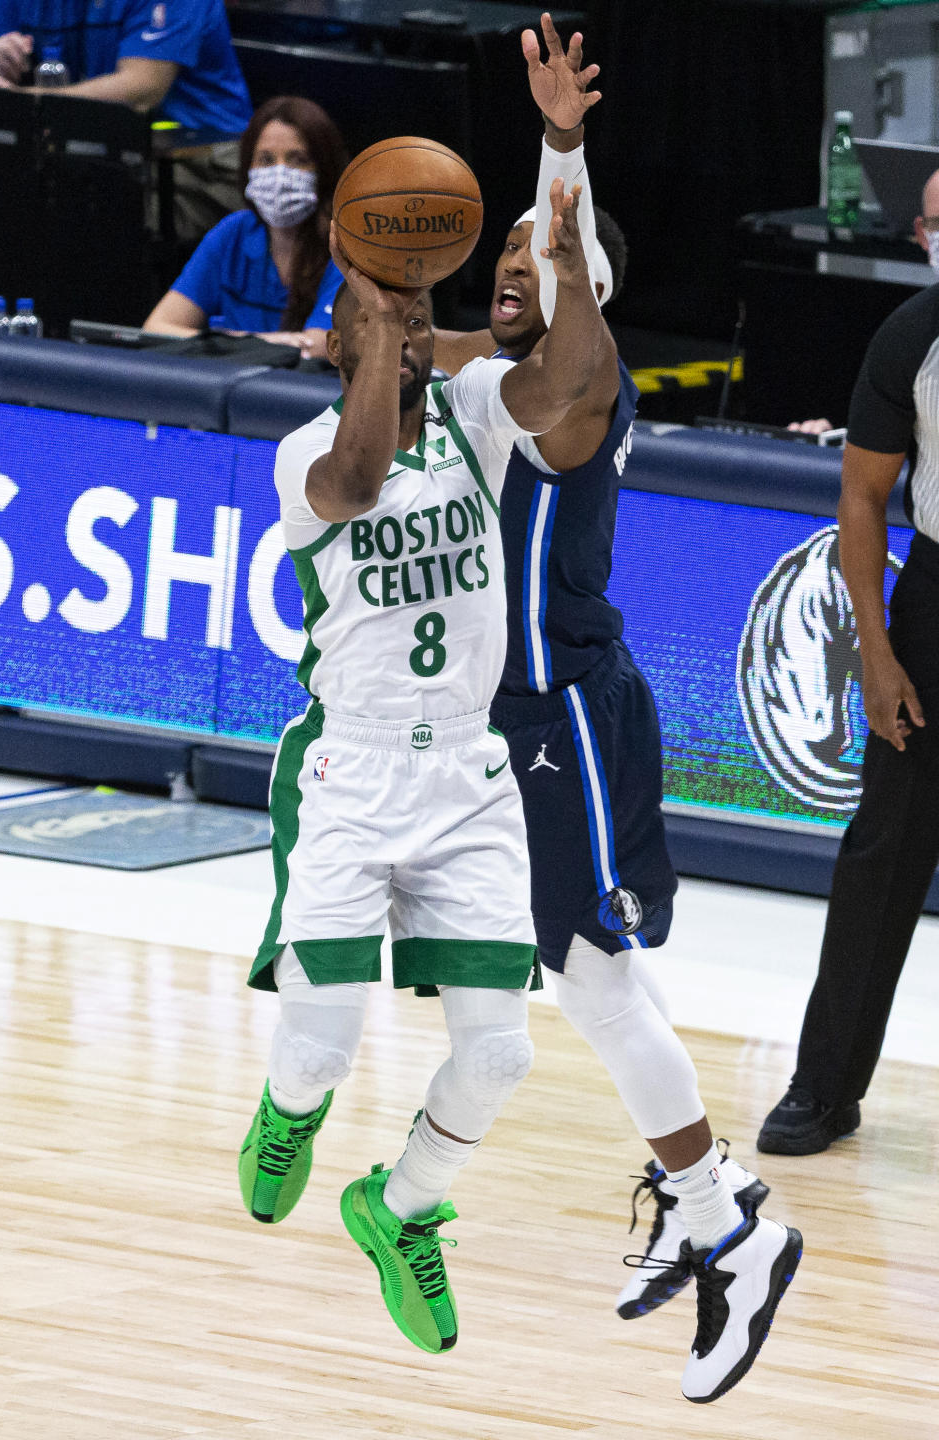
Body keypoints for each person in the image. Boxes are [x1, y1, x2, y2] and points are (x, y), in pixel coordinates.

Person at [434, 13, 802, 1404]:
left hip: (569, 715)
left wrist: (561, 148)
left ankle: (728, 1223)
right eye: (512, 258)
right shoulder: (488, 373)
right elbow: (441, 345)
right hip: (501, 725)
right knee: (574, 984)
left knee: (592, 977)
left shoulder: (580, 391)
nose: (523, 269)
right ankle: (710, 1203)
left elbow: (551, 280)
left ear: (584, 287)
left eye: (548, 259)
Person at [237, 109, 605, 1355]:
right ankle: (289, 1113)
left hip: (469, 770)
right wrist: (388, 339)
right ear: (334, 341)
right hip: (348, 768)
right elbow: (357, 479)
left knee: (500, 1054)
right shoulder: (304, 457)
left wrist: (563, 233)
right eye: (366, 314)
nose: (388, 321)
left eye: (401, 309)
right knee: (325, 1048)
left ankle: (402, 1209)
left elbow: (572, 384)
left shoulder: (480, 412)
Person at [757, 202, 939, 1157]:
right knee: (883, 856)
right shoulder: (912, 336)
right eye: (936, 221)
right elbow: (862, 498)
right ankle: (824, 1087)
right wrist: (875, 649)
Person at [0, 0, 252, 240]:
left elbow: (142, 89)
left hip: (197, 163)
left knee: (68, 215)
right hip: (90, 156)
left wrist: (20, 97)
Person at [143, 95, 345, 357]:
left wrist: (221, 340)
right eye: (266, 159)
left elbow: (315, 348)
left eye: (298, 159)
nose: (280, 175)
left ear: (325, 170)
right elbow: (157, 328)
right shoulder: (233, 232)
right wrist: (250, 342)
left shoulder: (345, 247)